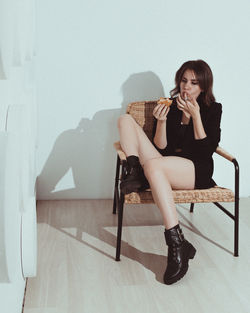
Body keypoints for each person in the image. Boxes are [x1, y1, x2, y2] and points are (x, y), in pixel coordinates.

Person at [117, 59, 222, 285]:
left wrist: (195, 116)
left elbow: (206, 151)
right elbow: (161, 148)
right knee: (125, 119)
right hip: (164, 166)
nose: (187, 87)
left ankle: (176, 244)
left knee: (154, 166)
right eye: (184, 81)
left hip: (195, 170)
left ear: (203, 86)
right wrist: (161, 121)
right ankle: (135, 172)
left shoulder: (213, 109)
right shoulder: (171, 106)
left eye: (194, 83)